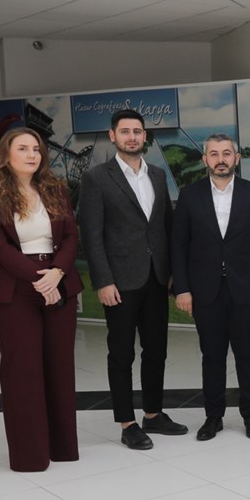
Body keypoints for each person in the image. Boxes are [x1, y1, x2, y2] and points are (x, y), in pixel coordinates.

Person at [0, 127, 82, 472]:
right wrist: (39, 279)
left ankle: (62, 448)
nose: (32, 154)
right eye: (23, 148)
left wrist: (57, 273)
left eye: (36, 149)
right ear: (6, 155)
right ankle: (30, 456)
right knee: (23, 371)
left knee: (60, 368)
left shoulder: (56, 189)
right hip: (16, 287)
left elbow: (71, 237)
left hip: (58, 281)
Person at [78, 108, 185, 449]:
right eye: (125, 131)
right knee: (122, 354)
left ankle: (153, 414)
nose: (132, 137)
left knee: (156, 351)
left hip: (156, 278)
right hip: (119, 282)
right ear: (113, 136)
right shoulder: (97, 178)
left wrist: (173, 273)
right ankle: (127, 423)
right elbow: (91, 235)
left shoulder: (157, 176)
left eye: (137, 131)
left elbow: (166, 227)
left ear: (145, 136)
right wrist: (103, 281)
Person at [172, 134, 250, 441]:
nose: (221, 159)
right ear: (204, 159)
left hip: (246, 289)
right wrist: (182, 289)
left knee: (248, 355)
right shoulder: (189, 195)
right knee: (212, 356)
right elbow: (178, 246)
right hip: (205, 291)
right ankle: (213, 416)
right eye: (214, 154)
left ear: (237, 158)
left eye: (227, 153)